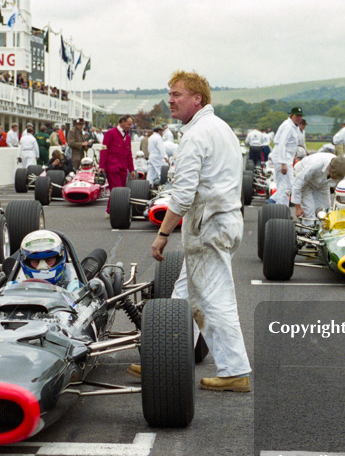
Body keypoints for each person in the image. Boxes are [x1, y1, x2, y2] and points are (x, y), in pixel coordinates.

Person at [146, 70, 251, 392]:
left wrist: (162, 234)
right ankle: (165, 357)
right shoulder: (220, 128)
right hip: (225, 219)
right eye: (170, 94)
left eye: (177, 94)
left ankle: (235, 371)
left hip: (208, 224)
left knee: (214, 299)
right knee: (183, 294)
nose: (170, 100)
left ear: (197, 99)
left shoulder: (195, 134)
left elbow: (182, 194)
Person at [291, 153, 345, 222]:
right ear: (330, 168)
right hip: (304, 181)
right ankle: (307, 231)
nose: (335, 179)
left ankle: (321, 230)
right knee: (309, 211)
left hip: (322, 183)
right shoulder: (315, 165)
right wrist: (298, 207)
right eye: (334, 176)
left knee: (325, 213)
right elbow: (298, 184)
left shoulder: (343, 170)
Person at [16, 230, 81, 293]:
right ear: (27, 262)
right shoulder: (14, 286)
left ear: (58, 259)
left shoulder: (73, 287)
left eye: (48, 260)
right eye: (36, 262)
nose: (42, 267)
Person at [98, 115, 134, 215]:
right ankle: (112, 212)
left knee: (121, 190)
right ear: (122, 122)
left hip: (123, 168)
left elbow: (129, 153)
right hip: (112, 167)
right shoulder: (110, 133)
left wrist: (131, 169)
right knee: (116, 190)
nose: (130, 127)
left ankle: (111, 211)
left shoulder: (127, 136)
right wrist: (101, 166)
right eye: (129, 124)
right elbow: (104, 150)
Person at [270, 107, 303, 205]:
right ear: (291, 115)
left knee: (289, 186)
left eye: (300, 116)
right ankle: (281, 211)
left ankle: (271, 204)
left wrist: (294, 155)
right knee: (284, 188)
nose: (299, 118)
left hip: (287, 158)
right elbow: (281, 144)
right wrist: (283, 163)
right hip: (282, 158)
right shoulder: (288, 126)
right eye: (297, 115)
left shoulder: (293, 126)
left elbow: (291, 144)